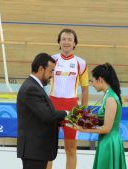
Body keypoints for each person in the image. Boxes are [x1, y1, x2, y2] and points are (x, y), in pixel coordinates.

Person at [17, 53, 68, 169]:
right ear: (41, 69)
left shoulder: (35, 86)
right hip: (34, 150)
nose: (53, 75)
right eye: (51, 71)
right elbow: (47, 116)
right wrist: (67, 113)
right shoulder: (31, 88)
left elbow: (41, 116)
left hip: (37, 150)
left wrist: (62, 120)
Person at [47, 28, 89, 169]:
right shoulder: (52, 60)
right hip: (52, 105)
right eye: (64, 39)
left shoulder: (81, 63)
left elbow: (85, 89)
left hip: (72, 108)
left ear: (75, 43)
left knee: (70, 149)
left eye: (70, 39)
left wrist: (83, 112)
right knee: (48, 149)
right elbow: (42, 81)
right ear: (59, 42)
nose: (66, 42)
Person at [73, 63, 126, 169]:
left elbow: (106, 128)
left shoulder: (110, 99)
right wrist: (85, 118)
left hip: (109, 142)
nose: (92, 84)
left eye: (92, 81)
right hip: (108, 140)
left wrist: (84, 129)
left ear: (100, 79)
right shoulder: (108, 95)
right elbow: (102, 118)